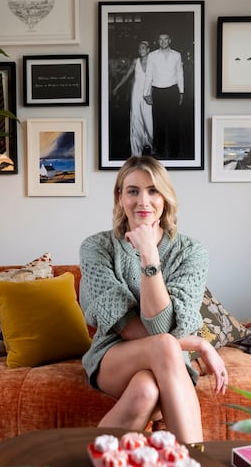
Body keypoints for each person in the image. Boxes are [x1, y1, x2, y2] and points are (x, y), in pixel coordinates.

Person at [79, 156, 227, 444]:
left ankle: (90, 462)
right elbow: (129, 329)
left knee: (146, 390)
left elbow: (163, 327)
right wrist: (196, 342)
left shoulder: (192, 252)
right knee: (163, 345)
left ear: (165, 198)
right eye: (133, 191)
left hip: (168, 360)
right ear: (120, 197)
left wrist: (150, 255)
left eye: (153, 190)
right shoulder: (96, 247)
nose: (143, 201)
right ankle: (196, 462)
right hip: (113, 357)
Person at [143, 33, 184, 158]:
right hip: (158, 91)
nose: (163, 42)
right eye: (160, 39)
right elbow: (148, 74)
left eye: (165, 39)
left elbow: (179, 74)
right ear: (158, 41)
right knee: (158, 123)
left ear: (169, 40)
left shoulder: (177, 55)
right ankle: (159, 151)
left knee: (173, 123)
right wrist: (146, 93)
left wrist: (181, 92)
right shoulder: (152, 56)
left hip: (172, 91)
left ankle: (175, 152)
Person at [113, 40, 154, 157]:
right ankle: (136, 149)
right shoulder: (135, 61)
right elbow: (127, 75)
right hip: (136, 92)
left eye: (143, 48)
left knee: (148, 118)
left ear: (148, 50)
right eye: (139, 48)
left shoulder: (153, 62)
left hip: (148, 93)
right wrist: (117, 87)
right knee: (136, 118)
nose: (141, 50)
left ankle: (150, 143)